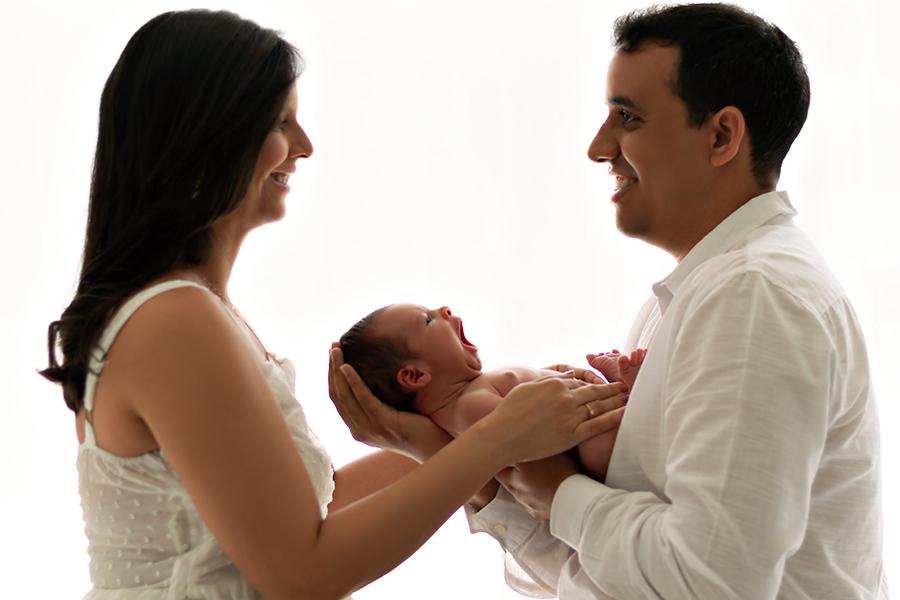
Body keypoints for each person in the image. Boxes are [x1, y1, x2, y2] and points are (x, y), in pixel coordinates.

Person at [39, 10, 629, 600]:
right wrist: (495, 439)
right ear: (205, 135)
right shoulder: (175, 320)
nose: (305, 146)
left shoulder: (192, 312)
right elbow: (302, 574)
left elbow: (291, 526)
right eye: (281, 122)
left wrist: (428, 432)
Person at [329, 3, 887, 599]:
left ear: (722, 135)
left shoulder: (753, 297)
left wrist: (559, 493)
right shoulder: (689, 299)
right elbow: (608, 580)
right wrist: (473, 475)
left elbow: (712, 585)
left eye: (628, 117)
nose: (598, 147)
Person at [339, 303, 645, 481]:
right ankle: (627, 393)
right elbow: (529, 442)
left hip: (584, 406)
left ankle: (621, 387)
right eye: (429, 320)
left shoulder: (474, 389)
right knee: (599, 445)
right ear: (416, 375)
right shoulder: (468, 408)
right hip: (590, 452)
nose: (444, 309)